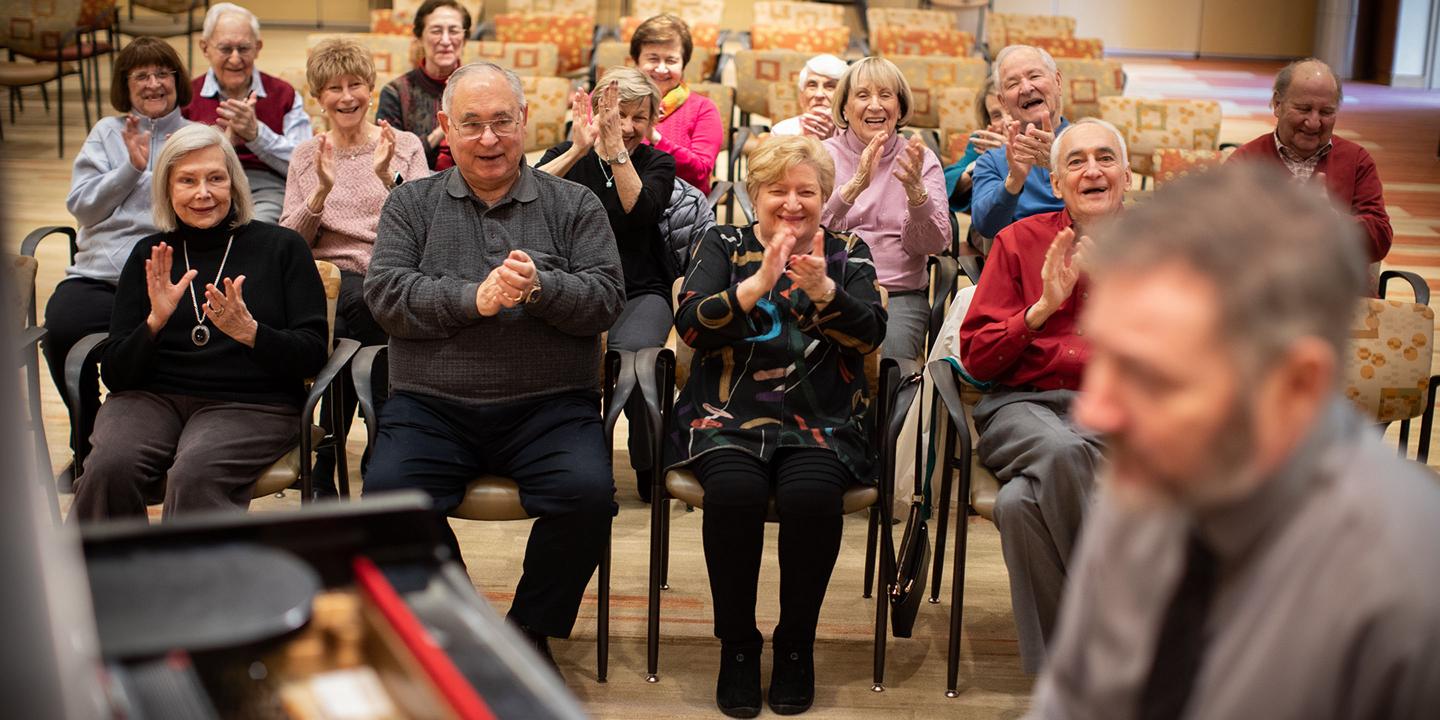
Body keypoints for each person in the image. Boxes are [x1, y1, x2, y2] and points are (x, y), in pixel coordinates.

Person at [1028, 163, 1440, 719]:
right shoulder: (1153, 485)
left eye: (1151, 377)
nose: (1095, 410)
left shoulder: (1409, 595)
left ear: (1296, 387)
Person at [362, 62, 624, 665]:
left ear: (526, 122)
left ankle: (529, 628)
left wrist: (541, 289)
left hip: (551, 408)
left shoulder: (574, 203)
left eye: (502, 122)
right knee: (388, 501)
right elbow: (386, 297)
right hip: (432, 406)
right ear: (445, 128)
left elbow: (608, 297)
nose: (488, 139)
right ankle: (468, 628)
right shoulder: (412, 205)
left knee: (588, 497)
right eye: (472, 124)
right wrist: (472, 299)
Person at [670, 135, 886, 718]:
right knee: (735, 493)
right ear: (754, 195)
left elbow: (870, 336)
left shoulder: (848, 250)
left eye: (806, 192)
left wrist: (822, 290)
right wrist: (755, 286)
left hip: (823, 417)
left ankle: (795, 645)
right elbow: (690, 327)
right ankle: (737, 646)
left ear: (825, 197)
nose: (792, 203)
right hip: (728, 415)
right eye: (778, 191)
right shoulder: (722, 241)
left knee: (811, 497)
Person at [69, 124, 329, 521]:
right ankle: (103, 579)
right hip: (150, 399)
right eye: (187, 181)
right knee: (108, 466)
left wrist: (251, 333)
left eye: (215, 178)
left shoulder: (282, 247)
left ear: (234, 184)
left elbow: (312, 355)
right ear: (168, 191)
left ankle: (192, 583)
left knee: (194, 473)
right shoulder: (150, 254)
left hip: (252, 404)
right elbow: (117, 375)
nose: (202, 193)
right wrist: (154, 322)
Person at [958, 118, 1130, 673]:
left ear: (1127, 176)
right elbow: (978, 360)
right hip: (1023, 410)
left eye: (1105, 158)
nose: (1093, 170)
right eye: (1076, 162)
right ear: (1056, 183)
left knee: (1019, 505)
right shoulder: (1019, 242)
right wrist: (1039, 312)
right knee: (1061, 451)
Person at [280, 38, 430, 496]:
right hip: (331, 280)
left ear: (370, 88)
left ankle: (328, 459)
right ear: (317, 97)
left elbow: (424, 224)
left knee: (351, 322)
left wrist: (389, 178)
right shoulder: (307, 155)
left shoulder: (402, 145)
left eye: (356, 85)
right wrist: (319, 193)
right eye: (334, 88)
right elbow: (290, 241)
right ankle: (382, 431)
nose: (346, 97)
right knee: (355, 306)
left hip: (389, 270)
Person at [49, 37, 193, 460]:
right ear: (125, 85)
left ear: (177, 80)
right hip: (100, 273)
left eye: (162, 73)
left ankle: (147, 445)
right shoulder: (106, 133)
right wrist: (129, 169)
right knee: (60, 329)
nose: (153, 84)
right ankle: (88, 439)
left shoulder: (195, 136)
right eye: (141, 76)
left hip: (163, 276)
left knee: (167, 344)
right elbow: (83, 209)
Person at [537, 67, 676, 501]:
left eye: (639, 117)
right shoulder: (570, 153)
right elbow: (526, 195)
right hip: (572, 287)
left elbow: (642, 211)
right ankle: (567, 461)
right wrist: (580, 149)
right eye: (618, 115)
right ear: (597, 112)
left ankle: (648, 465)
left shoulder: (657, 162)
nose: (629, 127)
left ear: (654, 121)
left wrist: (616, 151)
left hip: (640, 289)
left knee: (635, 361)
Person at [821, 56, 949, 364]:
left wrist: (917, 195)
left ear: (900, 108)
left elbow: (935, 244)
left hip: (898, 295)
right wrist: (854, 187)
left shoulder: (920, 159)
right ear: (844, 108)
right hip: (830, 290)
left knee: (888, 371)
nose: (875, 105)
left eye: (886, 95)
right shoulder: (823, 155)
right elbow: (808, 232)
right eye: (863, 95)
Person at [1229, 58, 1392, 264]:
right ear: (1278, 104)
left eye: (1326, 112)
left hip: (1337, 287)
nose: (1314, 122)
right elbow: (1218, 237)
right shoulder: (1246, 161)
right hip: (1264, 288)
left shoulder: (1357, 161)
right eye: (1304, 109)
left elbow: (1381, 241)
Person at [183, 2, 312, 223]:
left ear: (258, 47)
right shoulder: (187, 96)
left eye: (243, 49)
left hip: (266, 187)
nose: (235, 59)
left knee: (256, 232)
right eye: (225, 49)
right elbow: (175, 164)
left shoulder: (283, 94)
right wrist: (223, 145)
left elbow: (305, 166)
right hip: (203, 188)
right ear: (205, 48)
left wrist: (256, 135)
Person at [970, 45, 1071, 239]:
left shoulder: (1093, 142)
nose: (1026, 88)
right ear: (1003, 102)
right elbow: (985, 227)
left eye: (1034, 76)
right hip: (1022, 262)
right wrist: (1014, 181)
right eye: (1013, 84)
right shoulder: (993, 160)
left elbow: (1108, 212)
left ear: (1057, 82)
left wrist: (1060, 162)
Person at [630, 13, 722, 194]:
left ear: (683, 65)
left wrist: (656, 138)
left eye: (671, 60)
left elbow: (700, 173)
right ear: (637, 61)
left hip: (678, 207)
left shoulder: (703, 109)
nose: (662, 69)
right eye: (653, 58)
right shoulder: (608, 98)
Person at [377, 0, 471, 170]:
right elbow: (392, 161)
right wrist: (442, 129)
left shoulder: (480, 88)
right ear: (420, 37)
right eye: (436, 31)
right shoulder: (395, 92)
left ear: (465, 38)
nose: (445, 40)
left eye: (454, 31)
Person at [943, 78, 1008, 214]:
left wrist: (1006, 157)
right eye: (996, 115)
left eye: (1010, 109)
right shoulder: (984, 142)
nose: (1006, 121)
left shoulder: (1048, 138)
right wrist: (985, 162)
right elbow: (944, 182)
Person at [770, 53, 847, 139]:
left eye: (830, 86)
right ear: (801, 96)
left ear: (844, 97)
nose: (819, 94)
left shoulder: (854, 135)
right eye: (812, 86)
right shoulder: (781, 132)